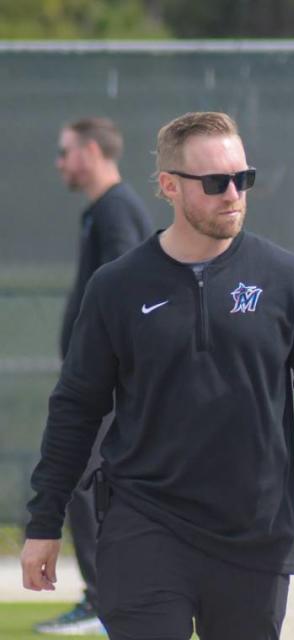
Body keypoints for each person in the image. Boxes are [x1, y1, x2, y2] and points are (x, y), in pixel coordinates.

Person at [21, 111, 294, 640]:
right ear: (169, 187)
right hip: (143, 526)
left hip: (254, 534)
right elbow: (75, 408)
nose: (233, 194)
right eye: (215, 182)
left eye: (242, 179)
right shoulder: (117, 287)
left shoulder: (289, 280)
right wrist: (44, 523)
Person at [34, 117, 154, 636]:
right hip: (93, 382)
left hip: (109, 385)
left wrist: (106, 372)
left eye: (65, 153)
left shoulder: (117, 211)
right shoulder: (99, 212)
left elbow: (127, 295)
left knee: (87, 483)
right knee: (85, 484)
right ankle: (104, 597)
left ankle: (107, 601)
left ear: (88, 151)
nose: (59, 163)